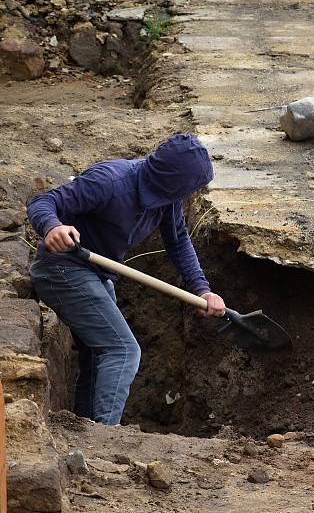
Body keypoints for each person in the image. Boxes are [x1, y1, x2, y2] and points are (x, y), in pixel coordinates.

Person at [27, 133, 226, 426]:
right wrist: (52, 226)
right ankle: (107, 437)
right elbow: (43, 202)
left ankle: (84, 428)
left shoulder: (166, 199)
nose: (191, 195)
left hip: (97, 274)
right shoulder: (109, 182)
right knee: (122, 349)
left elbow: (179, 240)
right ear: (172, 181)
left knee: (98, 357)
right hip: (61, 270)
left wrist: (202, 289)